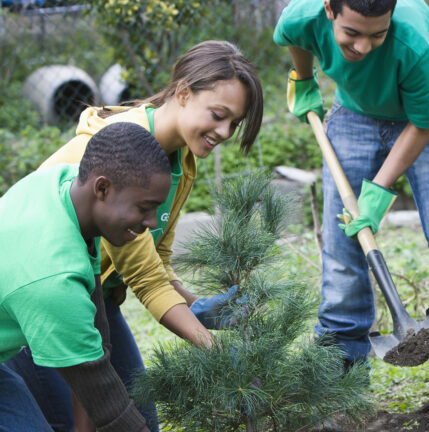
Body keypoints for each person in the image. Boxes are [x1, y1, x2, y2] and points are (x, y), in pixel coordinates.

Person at [3, 40, 264, 431]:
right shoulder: (108, 161)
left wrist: (193, 303)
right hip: (40, 305)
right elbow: (146, 281)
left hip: (90, 298)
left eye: (234, 123)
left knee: (133, 417)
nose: (225, 131)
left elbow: (154, 261)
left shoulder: (180, 160)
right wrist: (216, 351)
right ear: (183, 92)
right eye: (218, 114)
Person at [273, 0, 429, 408]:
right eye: (352, 35)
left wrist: (377, 191)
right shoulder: (301, 15)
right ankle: (343, 356)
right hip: (355, 110)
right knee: (342, 236)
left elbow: (424, 121)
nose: (364, 47)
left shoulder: (413, 42)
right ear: (329, 9)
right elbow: (296, 38)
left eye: (377, 35)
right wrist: (304, 78)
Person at [0, 122, 171, 432]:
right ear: (102, 188)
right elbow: (106, 401)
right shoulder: (53, 278)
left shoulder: (61, 187)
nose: (150, 221)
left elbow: (96, 335)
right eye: (145, 208)